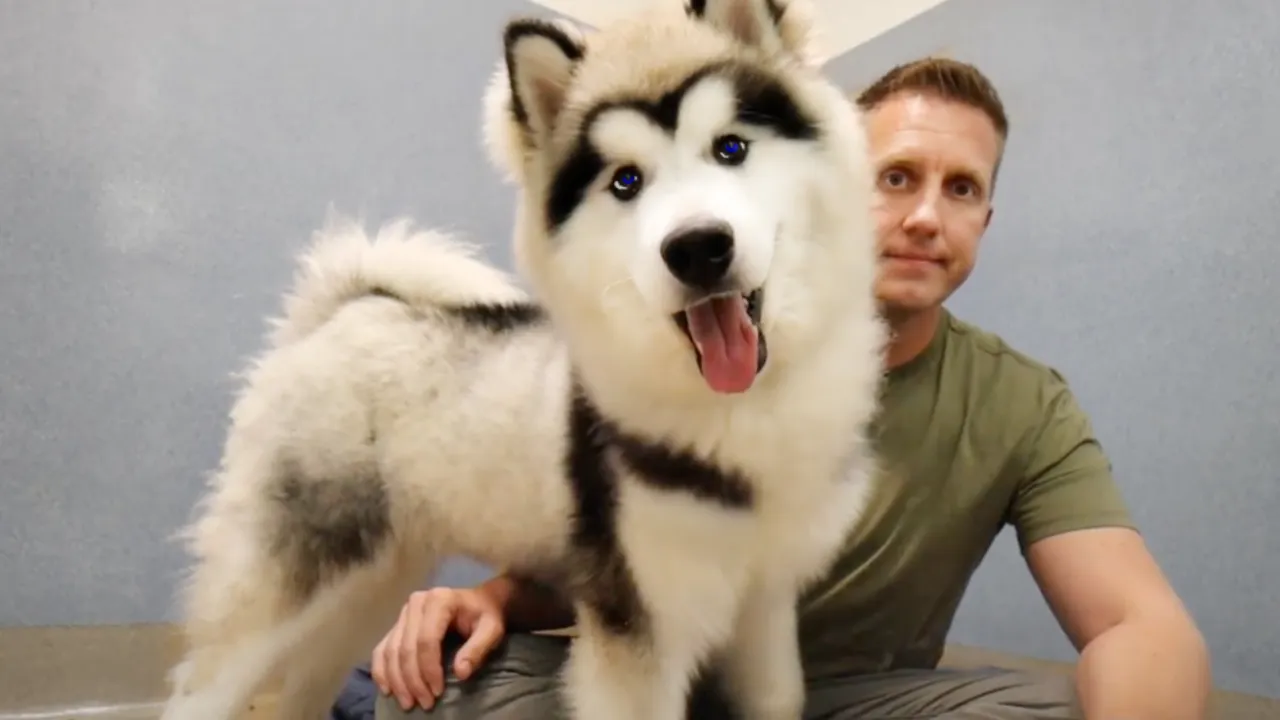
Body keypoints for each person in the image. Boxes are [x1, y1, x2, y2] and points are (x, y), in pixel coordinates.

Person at [341, 58, 1211, 720]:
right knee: (439, 678)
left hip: (852, 701)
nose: (924, 217)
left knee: (1060, 705)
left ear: (984, 220)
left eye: (961, 190)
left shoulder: (1024, 403)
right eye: (897, 177)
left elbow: (1139, 623)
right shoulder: (692, 348)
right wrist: (487, 599)